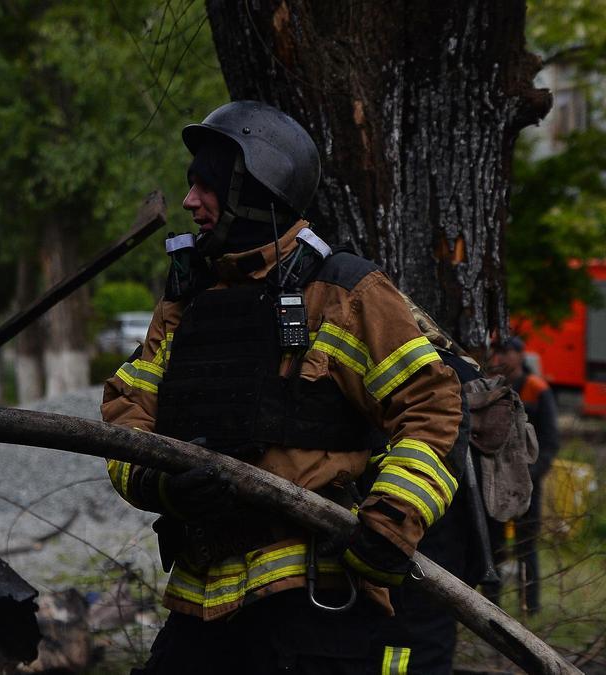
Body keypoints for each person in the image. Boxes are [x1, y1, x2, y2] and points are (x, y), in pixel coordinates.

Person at [102, 100, 464, 673]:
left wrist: (392, 519)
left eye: (206, 186)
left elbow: (433, 406)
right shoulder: (187, 301)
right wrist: (160, 484)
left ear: (255, 188)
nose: (191, 201)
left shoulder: (345, 293)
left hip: (311, 599)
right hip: (199, 598)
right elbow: (126, 418)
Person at [485, 336, 560, 615]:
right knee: (494, 544)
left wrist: (532, 475)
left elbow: (550, 441)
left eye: (505, 352)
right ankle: (490, 605)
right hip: (496, 479)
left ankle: (531, 606)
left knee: (526, 545)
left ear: (520, 355)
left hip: (527, 481)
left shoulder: (536, 388)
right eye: (496, 352)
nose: (499, 358)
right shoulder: (492, 385)